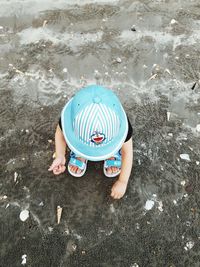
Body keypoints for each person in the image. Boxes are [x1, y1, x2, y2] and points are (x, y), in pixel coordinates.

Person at [48, 85, 133, 199]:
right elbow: (60, 133)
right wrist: (60, 155)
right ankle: (81, 151)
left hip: (111, 133)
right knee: (80, 138)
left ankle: (110, 151)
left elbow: (127, 152)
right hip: (88, 128)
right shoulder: (73, 117)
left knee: (116, 143)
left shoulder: (118, 122)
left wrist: (123, 182)